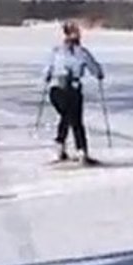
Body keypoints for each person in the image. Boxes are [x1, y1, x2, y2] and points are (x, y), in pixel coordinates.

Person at [43, 20, 104, 165]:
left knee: (66, 117)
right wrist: (99, 74)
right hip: (71, 91)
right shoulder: (81, 53)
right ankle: (81, 151)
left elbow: (47, 70)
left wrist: (47, 76)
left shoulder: (56, 51)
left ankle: (60, 147)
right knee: (75, 121)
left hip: (55, 91)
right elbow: (94, 69)